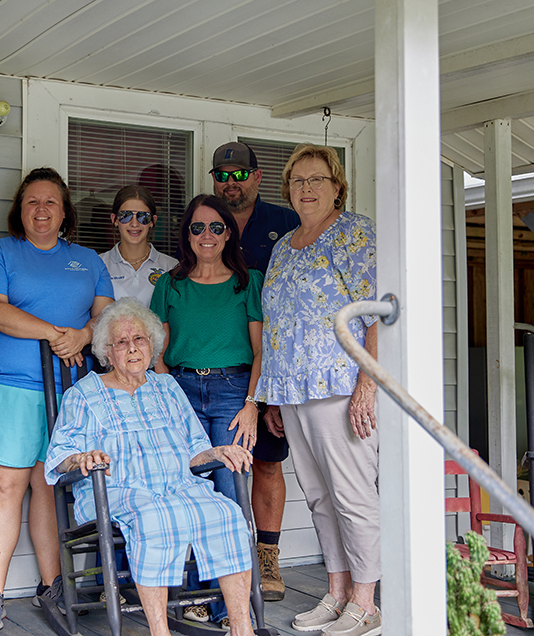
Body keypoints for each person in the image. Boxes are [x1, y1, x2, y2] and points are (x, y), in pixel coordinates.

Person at [45, 298, 256, 636]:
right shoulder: (84, 393)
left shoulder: (168, 387)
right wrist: (81, 459)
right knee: (154, 518)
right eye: (122, 342)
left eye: (139, 339)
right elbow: (61, 454)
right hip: (116, 490)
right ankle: (160, 631)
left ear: (152, 345)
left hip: (178, 487)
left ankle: (242, 628)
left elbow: (195, 449)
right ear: (107, 352)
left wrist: (218, 452)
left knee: (228, 514)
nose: (132, 348)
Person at [0, 168, 113, 632]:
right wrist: (58, 335)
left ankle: (52, 586)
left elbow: (105, 318)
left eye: (51, 202)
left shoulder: (88, 260)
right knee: (9, 486)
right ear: (20, 208)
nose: (41, 210)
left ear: (64, 211)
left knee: (47, 487)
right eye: (32, 201)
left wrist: (85, 335)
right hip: (13, 385)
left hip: (73, 394)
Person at [257, 144, 380, 636]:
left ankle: (366, 601)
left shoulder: (353, 233)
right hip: (294, 390)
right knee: (318, 498)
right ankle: (336, 591)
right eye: (297, 181)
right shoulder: (285, 245)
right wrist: (272, 394)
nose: (305, 189)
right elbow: (274, 324)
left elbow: (377, 313)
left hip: (340, 386)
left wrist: (367, 384)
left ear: (336, 187)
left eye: (316, 180)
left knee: (352, 496)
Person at [149, 194, 264, 629]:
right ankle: (200, 596)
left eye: (216, 227)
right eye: (198, 228)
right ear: (187, 235)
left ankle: (230, 607)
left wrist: (253, 405)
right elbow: (158, 350)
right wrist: (168, 395)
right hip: (181, 389)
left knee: (231, 494)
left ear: (229, 233)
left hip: (233, 391)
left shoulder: (246, 281)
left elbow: (259, 351)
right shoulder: (170, 284)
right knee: (191, 492)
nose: (207, 236)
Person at [210, 141, 299, 601]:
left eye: (240, 175)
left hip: (273, 365)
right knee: (213, 465)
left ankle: (267, 560)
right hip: (220, 368)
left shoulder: (286, 224)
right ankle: (215, 563)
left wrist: (275, 391)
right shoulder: (206, 221)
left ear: (257, 177)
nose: (231, 183)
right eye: (222, 175)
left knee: (266, 461)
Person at [100, 185, 177, 307]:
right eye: (126, 216)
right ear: (114, 219)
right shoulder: (99, 264)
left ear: (153, 221)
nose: (134, 223)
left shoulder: (172, 267)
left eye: (143, 217)